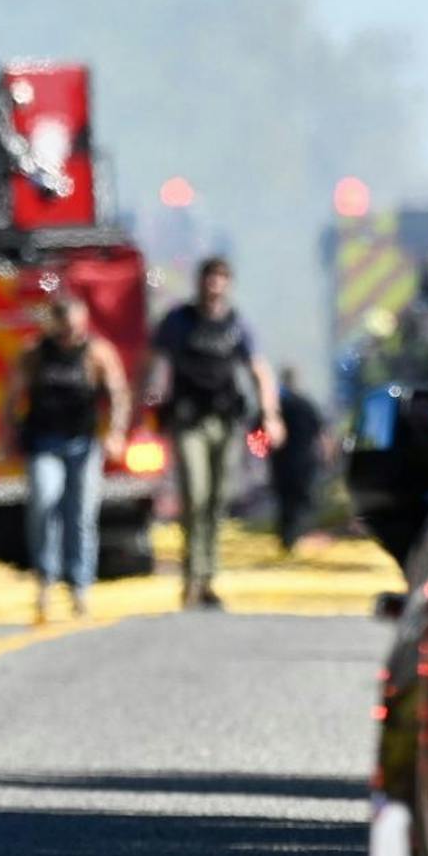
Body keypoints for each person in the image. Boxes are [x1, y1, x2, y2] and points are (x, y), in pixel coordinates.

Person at [142, 256, 283, 609]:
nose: (214, 285)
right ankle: (191, 577)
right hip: (189, 421)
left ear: (228, 284)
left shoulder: (236, 325)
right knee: (196, 496)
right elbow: (156, 364)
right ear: (200, 282)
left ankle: (209, 578)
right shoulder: (179, 321)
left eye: (221, 278)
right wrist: (147, 402)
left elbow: (259, 371)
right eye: (209, 278)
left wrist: (270, 414)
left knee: (218, 500)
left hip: (226, 421)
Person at [4, 295, 130, 621]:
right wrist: (8, 435)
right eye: (63, 328)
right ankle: (46, 579)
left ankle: (80, 586)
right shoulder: (35, 353)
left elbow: (118, 393)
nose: (68, 336)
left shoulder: (96, 353)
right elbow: (14, 395)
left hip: (83, 444)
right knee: (44, 502)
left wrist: (116, 433)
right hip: (45, 442)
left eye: (74, 328)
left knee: (82, 514)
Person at [271, 368, 326, 551]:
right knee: (303, 500)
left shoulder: (275, 407)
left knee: (286, 501)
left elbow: (258, 435)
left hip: (282, 461)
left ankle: (288, 539)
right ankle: (298, 537)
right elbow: (322, 433)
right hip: (305, 460)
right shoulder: (306, 404)